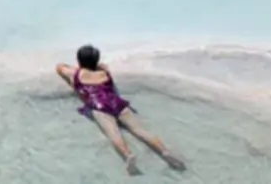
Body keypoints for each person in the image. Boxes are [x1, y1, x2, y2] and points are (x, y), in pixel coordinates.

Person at [56, 44, 185, 176]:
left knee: (114, 134)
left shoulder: (76, 73)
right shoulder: (104, 71)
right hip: (117, 103)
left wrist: (77, 71)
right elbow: (101, 68)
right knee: (141, 130)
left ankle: (128, 155)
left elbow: (59, 67)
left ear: (79, 61)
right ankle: (164, 151)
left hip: (100, 107)